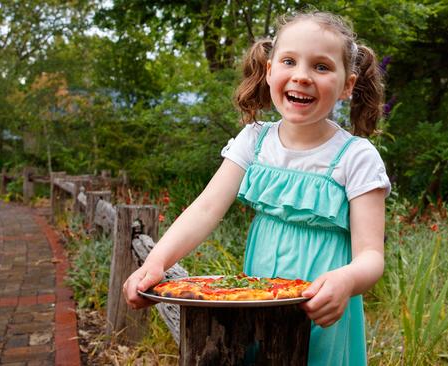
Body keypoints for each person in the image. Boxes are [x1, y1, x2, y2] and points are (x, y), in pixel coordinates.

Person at [123, 10, 390, 366]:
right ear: (269, 72)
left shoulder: (356, 156)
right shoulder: (254, 141)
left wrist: (347, 280)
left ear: (347, 85)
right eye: (289, 61)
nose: (302, 76)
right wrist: (156, 263)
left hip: (323, 308)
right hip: (256, 299)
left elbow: (371, 256)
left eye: (321, 67)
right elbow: (205, 209)